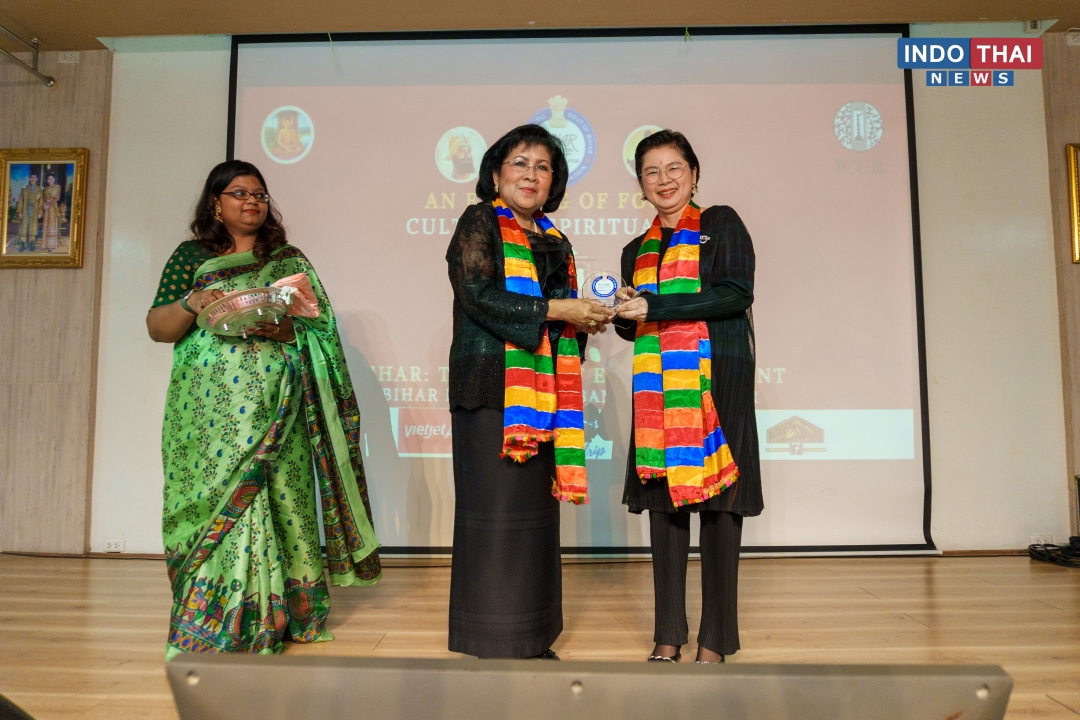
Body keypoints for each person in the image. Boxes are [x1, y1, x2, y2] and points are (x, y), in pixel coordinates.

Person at [146, 160, 381, 659]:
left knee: (282, 498)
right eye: (239, 193)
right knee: (215, 500)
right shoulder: (191, 256)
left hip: (280, 407)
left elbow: (321, 330)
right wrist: (193, 302)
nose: (252, 201)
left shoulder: (288, 259)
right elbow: (158, 328)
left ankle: (284, 615)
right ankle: (214, 618)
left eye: (259, 194)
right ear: (216, 203)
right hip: (209, 411)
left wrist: (286, 328)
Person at [445, 124, 612, 659]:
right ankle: (490, 639)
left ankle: (532, 637)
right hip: (489, 388)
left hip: (543, 393)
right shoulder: (479, 221)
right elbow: (476, 294)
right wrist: (559, 309)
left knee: (535, 520)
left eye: (543, 167)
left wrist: (587, 318)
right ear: (496, 174)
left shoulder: (555, 240)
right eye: (520, 163)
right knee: (495, 516)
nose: (531, 175)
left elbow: (562, 320)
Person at [613, 130, 762, 664]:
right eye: (651, 171)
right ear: (640, 184)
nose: (664, 179)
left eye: (674, 167)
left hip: (717, 377)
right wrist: (624, 311)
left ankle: (716, 639)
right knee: (664, 506)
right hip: (658, 390)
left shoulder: (722, 223)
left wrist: (654, 306)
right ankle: (668, 633)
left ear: (694, 174)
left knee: (720, 507)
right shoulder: (635, 250)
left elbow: (735, 294)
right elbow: (635, 326)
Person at [14, 171, 43, 252]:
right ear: (29, 179)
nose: (33, 179)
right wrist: (19, 212)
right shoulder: (25, 189)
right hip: (25, 210)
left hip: (34, 211)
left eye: (34, 177)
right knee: (24, 227)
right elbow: (21, 201)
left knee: (32, 227)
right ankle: (23, 244)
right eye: (31, 177)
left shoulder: (39, 190)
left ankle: (31, 244)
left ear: (37, 179)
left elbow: (40, 202)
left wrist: (40, 212)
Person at [41, 173, 61, 251]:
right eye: (48, 179)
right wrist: (44, 205)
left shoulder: (57, 187)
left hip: (52, 207)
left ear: (54, 179)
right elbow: (43, 198)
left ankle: (51, 246)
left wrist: (48, 205)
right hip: (46, 208)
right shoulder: (45, 188)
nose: (50, 180)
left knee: (52, 224)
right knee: (46, 225)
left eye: (51, 178)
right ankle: (46, 245)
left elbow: (57, 198)